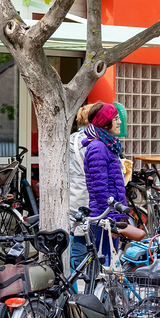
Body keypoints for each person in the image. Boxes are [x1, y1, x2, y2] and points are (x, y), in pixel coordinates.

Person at [83, 102, 143, 264]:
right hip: (104, 218)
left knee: (110, 267)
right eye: (115, 118)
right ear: (104, 122)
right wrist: (110, 220)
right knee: (104, 268)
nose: (120, 122)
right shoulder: (98, 147)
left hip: (110, 215)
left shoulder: (107, 144)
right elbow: (99, 189)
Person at [68, 103, 93, 269]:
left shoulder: (72, 139)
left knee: (77, 236)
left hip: (74, 194)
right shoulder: (92, 141)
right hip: (87, 194)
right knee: (87, 240)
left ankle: (74, 278)